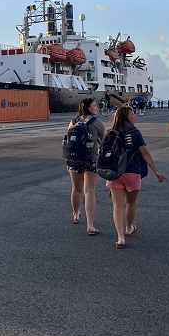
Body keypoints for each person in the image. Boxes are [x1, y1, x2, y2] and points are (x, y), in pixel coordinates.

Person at [105, 105, 165, 248]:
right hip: (132, 172)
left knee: (117, 205)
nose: (135, 116)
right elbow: (144, 153)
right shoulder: (135, 133)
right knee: (130, 203)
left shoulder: (111, 132)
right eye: (133, 114)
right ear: (127, 116)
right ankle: (129, 228)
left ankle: (120, 238)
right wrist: (156, 171)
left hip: (114, 173)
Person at [65, 97, 106, 235]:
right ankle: (90, 225)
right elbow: (105, 142)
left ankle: (76, 215)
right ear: (88, 107)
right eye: (94, 105)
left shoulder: (73, 121)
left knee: (76, 189)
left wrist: (68, 160)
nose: (97, 107)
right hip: (90, 160)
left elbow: (67, 142)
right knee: (89, 191)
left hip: (74, 159)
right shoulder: (97, 123)